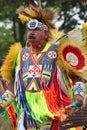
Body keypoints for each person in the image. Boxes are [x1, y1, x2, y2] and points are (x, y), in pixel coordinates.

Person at [0, 4, 71, 130]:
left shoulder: (58, 51)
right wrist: (1, 104)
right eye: (29, 30)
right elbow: (12, 89)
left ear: (45, 34)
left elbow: (76, 78)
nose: (31, 32)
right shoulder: (20, 56)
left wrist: (79, 96)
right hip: (29, 117)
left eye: (36, 29)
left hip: (54, 114)